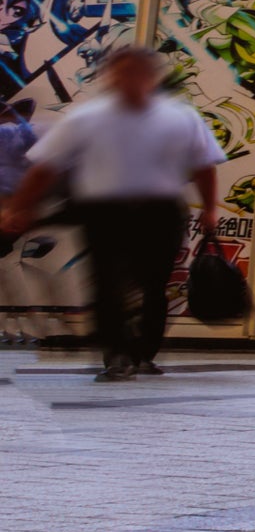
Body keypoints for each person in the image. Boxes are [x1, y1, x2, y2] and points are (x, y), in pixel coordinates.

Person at [0, 43, 217, 378]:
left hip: (160, 211)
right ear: (109, 77)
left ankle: (144, 353)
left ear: (151, 77)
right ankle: (115, 353)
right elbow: (45, 167)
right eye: (121, 72)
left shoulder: (180, 117)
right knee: (106, 284)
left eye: (137, 72)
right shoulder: (86, 118)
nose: (129, 80)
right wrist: (20, 206)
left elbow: (204, 165)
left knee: (153, 285)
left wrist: (211, 208)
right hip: (104, 210)